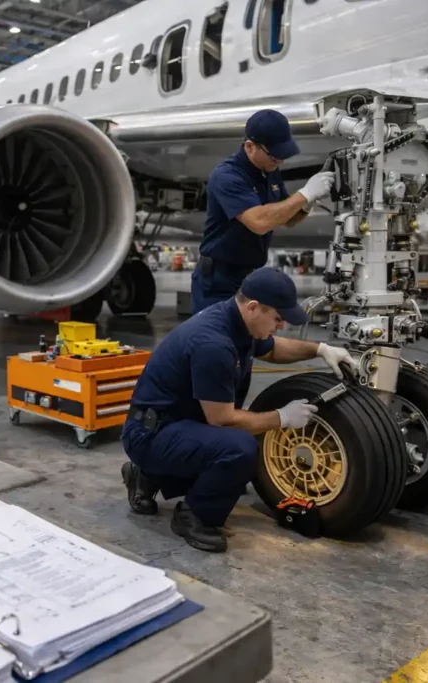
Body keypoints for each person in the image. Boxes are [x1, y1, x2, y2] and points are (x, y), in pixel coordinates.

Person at [120, 267, 353, 552]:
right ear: (254, 307)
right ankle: (194, 515)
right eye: (278, 319)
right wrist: (281, 418)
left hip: (175, 423)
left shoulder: (237, 321)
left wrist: (320, 349)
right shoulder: (213, 344)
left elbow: (272, 349)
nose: (281, 326)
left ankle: (146, 475)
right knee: (238, 448)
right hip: (150, 434)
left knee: (234, 453)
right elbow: (223, 421)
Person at [192, 109, 335, 315]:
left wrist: (308, 202)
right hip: (219, 278)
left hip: (250, 274)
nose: (280, 162)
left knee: (250, 340)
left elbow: (287, 218)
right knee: (218, 337)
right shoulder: (227, 176)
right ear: (250, 147)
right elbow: (259, 222)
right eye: (275, 157)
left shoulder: (268, 170)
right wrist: (304, 193)